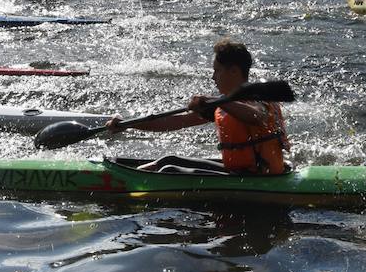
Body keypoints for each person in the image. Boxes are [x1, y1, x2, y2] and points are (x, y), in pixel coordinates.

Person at [105, 38, 289, 175]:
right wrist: (127, 124)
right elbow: (174, 122)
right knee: (168, 160)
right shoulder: (223, 105)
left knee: (170, 170)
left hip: (260, 175)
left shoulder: (258, 98)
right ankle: (122, 176)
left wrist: (218, 101)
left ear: (234, 71)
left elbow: (258, 117)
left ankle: (124, 183)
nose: (213, 77)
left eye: (217, 70)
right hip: (239, 173)